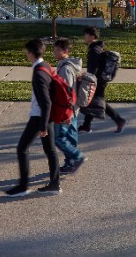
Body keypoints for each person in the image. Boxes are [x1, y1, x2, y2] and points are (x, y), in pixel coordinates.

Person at [5, 38, 61, 196]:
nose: (26, 55)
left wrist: (43, 125)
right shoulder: (46, 66)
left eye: (27, 52)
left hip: (39, 117)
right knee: (50, 150)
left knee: (22, 148)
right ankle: (55, 184)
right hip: (46, 116)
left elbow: (46, 102)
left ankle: (23, 187)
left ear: (31, 53)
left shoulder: (39, 73)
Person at [80, 26, 127, 134]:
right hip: (100, 79)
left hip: (98, 80)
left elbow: (94, 67)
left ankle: (119, 120)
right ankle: (86, 125)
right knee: (94, 101)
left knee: (96, 101)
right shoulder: (97, 48)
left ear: (92, 36)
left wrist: (89, 78)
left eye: (85, 34)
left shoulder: (94, 50)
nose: (84, 37)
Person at [52, 37, 86, 175]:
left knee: (61, 138)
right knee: (70, 136)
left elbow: (66, 91)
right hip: (72, 107)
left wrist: (66, 112)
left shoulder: (66, 68)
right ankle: (71, 162)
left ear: (65, 51)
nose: (54, 52)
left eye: (57, 50)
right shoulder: (67, 65)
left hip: (67, 109)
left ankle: (75, 159)